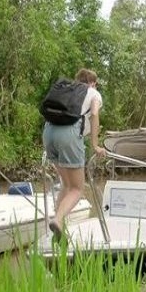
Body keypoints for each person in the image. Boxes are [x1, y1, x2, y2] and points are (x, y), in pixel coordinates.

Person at [43, 68, 105, 241]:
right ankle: (57, 220)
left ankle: (58, 226)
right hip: (69, 135)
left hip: (48, 132)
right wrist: (95, 145)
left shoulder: (68, 90)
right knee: (77, 189)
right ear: (93, 82)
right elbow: (94, 114)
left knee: (66, 184)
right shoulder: (93, 93)